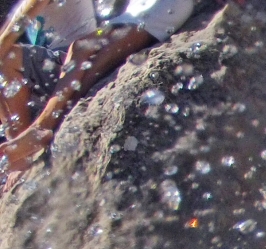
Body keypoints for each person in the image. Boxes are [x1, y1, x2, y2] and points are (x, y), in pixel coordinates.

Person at [0, 0, 195, 175]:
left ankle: (42, 128)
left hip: (161, 7)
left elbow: (10, 34)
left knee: (79, 47)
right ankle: (21, 151)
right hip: (133, 12)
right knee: (81, 46)